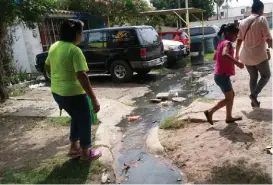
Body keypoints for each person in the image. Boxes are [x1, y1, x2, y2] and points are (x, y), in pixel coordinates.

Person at [45, 19, 101, 161]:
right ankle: (85, 153)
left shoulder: (54, 47)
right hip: (73, 94)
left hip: (57, 93)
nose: (81, 35)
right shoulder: (74, 50)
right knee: (85, 119)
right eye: (81, 32)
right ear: (76, 33)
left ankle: (73, 147)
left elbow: (47, 66)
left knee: (76, 117)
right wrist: (94, 99)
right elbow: (82, 76)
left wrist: (59, 78)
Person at [204, 23, 244, 125]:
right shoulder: (228, 44)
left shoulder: (221, 43)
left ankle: (229, 117)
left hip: (220, 75)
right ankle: (210, 112)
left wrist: (223, 61)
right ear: (228, 33)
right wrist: (237, 63)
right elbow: (224, 54)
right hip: (222, 76)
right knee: (229, 98)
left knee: (231, 95)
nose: (236, 37)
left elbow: (215, 57)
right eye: (235, 34)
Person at [236, 0, 272, 108]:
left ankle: (254, 102)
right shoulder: (262, 19)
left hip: (246, 56)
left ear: (251, 10)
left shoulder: (242, 22)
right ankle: (254, 95)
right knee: (266, 75)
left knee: (253, 77)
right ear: (261, 9)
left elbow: (239, 40)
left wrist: (236, 54)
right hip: (259, 56)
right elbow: (268, 39)